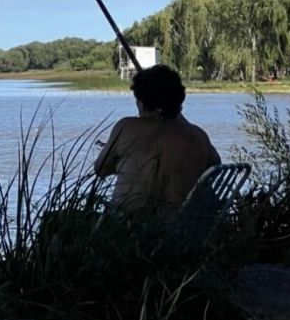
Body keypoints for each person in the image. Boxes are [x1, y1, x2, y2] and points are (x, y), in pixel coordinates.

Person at [94, 65, 221, 216]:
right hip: (187, 229)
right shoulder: (197, 135)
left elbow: (100, 169)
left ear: (141, 100)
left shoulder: (126, 127)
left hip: (132, 227)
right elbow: (215, 165)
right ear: (179, 100)